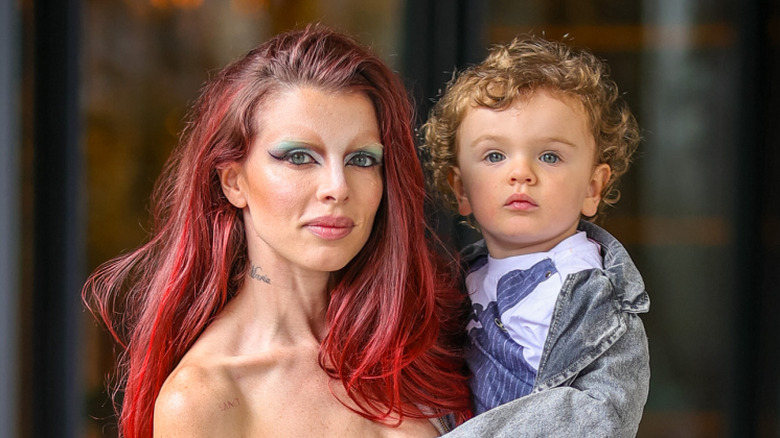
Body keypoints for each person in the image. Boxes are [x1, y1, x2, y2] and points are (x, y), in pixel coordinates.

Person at [83, 25, 472, 438]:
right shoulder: (205, 399)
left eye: (361, 159)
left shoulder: (436, 330)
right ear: (234, 182)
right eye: (300, 157)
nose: (337, 188)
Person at [424, 35, 650, 437]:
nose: (521, 173)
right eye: (495, 155)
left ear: (592, 188)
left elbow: (602, 417)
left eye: (550, 156)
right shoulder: (453, 285)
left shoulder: (594, 293)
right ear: (461, 189)